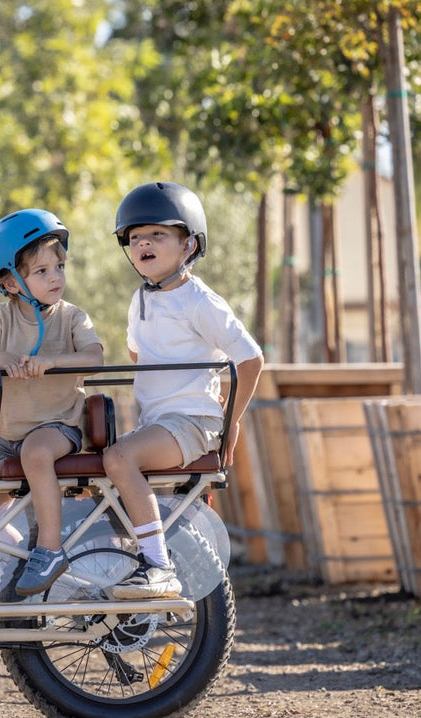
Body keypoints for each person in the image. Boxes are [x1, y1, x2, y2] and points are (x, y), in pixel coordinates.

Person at [104, 181, 264, 599]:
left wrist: (231, 422)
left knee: (119, 458)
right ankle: (129, 554)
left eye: (157, 234)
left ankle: (158, 567)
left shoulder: (199, 300)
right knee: (97, 470)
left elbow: (250, 359)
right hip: (160, 422)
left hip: (194, 421)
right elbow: (138, 356)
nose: (143, 244)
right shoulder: (140, 299)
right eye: (135, 238)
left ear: (188, 244)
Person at [0, 209, 104, 596]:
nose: (56, 277)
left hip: (58, 426)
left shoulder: (73, 317)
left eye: (59, 266)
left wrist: (53, 361)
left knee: (37, 454)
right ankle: (21, 559)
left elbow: (94, 359)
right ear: (10, 282)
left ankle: (50, 549)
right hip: (9, 434)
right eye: (41, 271)